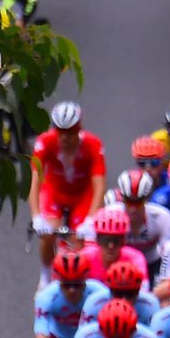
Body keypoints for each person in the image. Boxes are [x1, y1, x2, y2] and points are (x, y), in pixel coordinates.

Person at [30, 102, 106, 268]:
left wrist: (91, 219)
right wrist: (36, 216)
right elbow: (34, 179)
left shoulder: (93, 144)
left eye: (69, 132)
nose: (64, 137)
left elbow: (99, 186)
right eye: (60, 131)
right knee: (48, 233)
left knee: (79, 240)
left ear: (79, 129)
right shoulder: (45, 141)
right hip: (55, 192)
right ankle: (46, 276)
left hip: (82, 195)